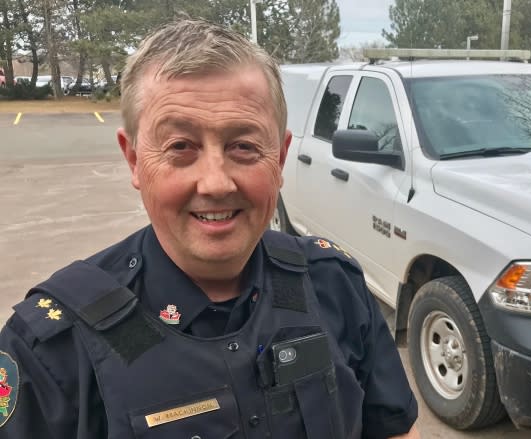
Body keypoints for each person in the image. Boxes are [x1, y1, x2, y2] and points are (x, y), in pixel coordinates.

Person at [0, 19, 419, 439]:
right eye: (181, 146)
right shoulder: (51, 350)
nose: (216, 182)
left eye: (243, 146)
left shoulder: (334, 286)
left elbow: (396, 430)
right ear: (133, 160)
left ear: (280, 156)